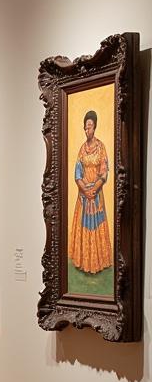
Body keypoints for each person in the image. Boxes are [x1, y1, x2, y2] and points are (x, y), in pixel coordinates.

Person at [69, 109, 112, 275]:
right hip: (84, 195)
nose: (88, 130)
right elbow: (77, 174)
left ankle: (97, 263)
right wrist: (85, 190)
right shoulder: (82, 149)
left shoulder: (101, 148)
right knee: (84, 225)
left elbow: (104, 173)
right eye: (85, 127)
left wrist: (94, 189)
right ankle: (83, 262)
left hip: (96, 195)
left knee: (96, 225)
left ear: (95, 127)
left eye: (90, 127)